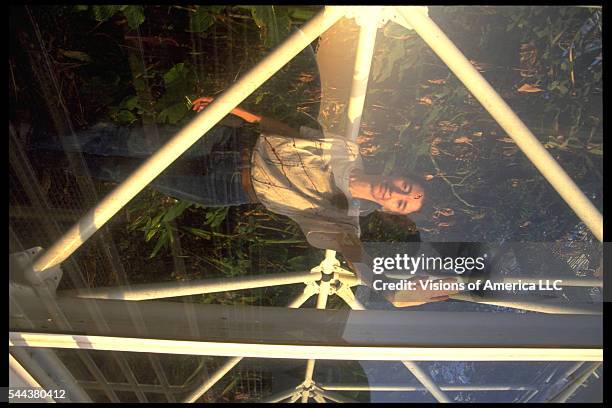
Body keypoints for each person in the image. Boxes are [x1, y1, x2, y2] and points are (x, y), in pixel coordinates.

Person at [30, 96, 460, 307]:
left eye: (404, 204)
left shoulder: (343, 220)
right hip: (224, 143)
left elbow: (359, 262)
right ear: (399, 175)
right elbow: (286, 129)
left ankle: (43, 163)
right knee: (123, 139)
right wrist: (232, 109)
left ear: (390, 212)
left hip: (227, 190)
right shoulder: (346, 149)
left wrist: (409, 291)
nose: (398, 195)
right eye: (407, 188)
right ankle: (34, 139)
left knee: (123, 175)